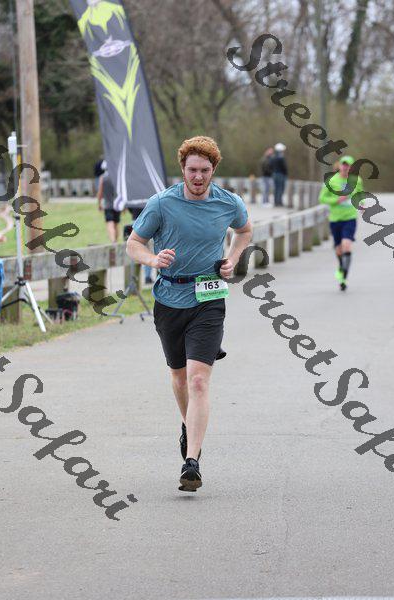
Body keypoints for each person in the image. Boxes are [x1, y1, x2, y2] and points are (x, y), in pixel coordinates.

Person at [127, 136, 252, 492]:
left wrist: (232, 257)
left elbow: (244, 230)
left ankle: (191, 461)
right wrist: (153, 259)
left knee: (198, 381)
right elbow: (133, 243)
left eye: (205, 171)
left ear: (214, 170)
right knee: (180, 378)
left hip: (208, 298)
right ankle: (188, 425)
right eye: (192, 170)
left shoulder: (228, 203)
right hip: (169, 298)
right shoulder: (161, 204)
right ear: (182, 169)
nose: (198, 177)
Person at [319, 155, 364, 291]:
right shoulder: (331, 181)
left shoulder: (357, 180)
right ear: (339, 166)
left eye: (348, 165)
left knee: (346, 245)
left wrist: (361, 204)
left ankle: (344, 276)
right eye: (343, 164)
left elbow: (360, 194)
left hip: (350, 218)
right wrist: (336, 201)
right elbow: (322, 198)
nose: (345, 167)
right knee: (338, 249)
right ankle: (341, 267)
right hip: (335, 219)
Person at [97, 162, 121, 242]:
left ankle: (113, 241)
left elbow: (100, 192)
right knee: (116, 224)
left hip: (107, 205)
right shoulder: (116, 177)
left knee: (110, 223)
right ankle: (116, 242)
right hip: (117, 205)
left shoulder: (102, 178)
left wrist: (99, 204)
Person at [270, 142, 288, 206]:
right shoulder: (281, 157)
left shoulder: (273, 157)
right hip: (280, 174)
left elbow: (270, 166)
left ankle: (276, 202)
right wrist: (285, 173)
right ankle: (279, 202)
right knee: (280, 188)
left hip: (274, 174)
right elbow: (284, 167)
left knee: (276, 188)